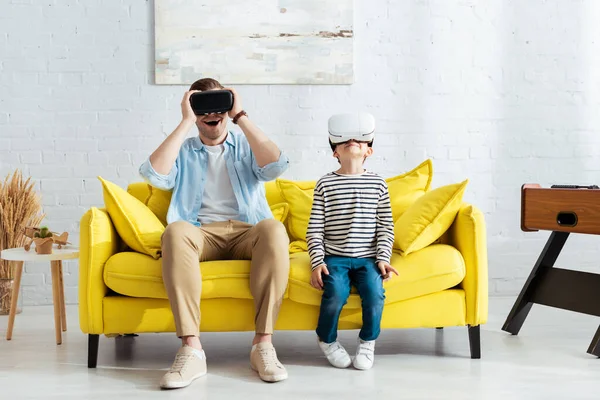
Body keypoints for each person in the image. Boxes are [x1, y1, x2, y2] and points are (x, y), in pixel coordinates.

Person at [139, 78, 290, 389]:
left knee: (274, 229)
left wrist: (240, 116)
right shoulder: (184, 150)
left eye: (218, 103)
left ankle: (263, 345)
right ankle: (191, 350)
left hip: (247, 231)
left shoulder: (246, 146)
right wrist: (185, 121)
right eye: (202, 104)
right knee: (175, 231)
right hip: (200, 233)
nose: (212, 112)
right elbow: (153, 174)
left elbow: (277, 166)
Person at [306, 112, 398, 370]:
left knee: (375, 294)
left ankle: (368, 341)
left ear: (369, 151)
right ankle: (326, 339)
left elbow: (385, 226)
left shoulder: (378, 183)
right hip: (335, 257)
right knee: (335, 293)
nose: (352, 141)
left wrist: (383, 258)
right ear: (335, 152)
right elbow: (314, 229)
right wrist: (317, 262)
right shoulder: (325, 183)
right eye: (344, 140)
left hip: (368, 258)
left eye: (360, 139)